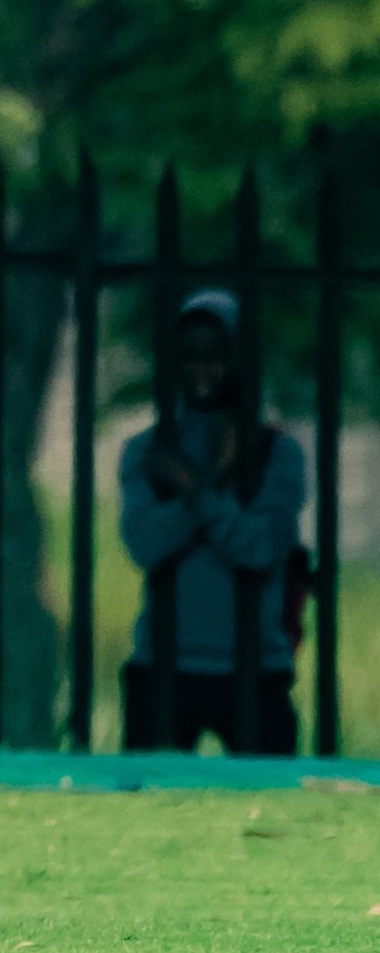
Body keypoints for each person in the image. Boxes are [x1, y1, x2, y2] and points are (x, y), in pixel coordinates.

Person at [118, 288, 307, 755]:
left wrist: (197, 489)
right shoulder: (149, 450)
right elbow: (144, 544)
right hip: (164, 663)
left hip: (255, 666)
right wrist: (210, 488)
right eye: (189, 355)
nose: (201, 368)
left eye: (216, 354)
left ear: (240, 357)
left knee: (269, 809)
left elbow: (261, 549)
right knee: (149, 811)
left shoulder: (277, 452)